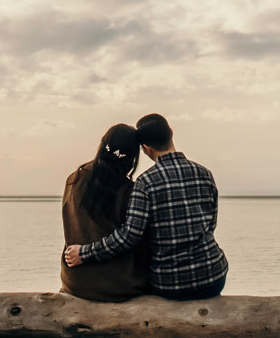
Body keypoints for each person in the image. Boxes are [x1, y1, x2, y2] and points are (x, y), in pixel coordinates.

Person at [64, 113, 227, 300]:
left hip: (171, 285)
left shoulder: (146, 182)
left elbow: (129, 236)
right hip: (215, 276)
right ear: (171, 133)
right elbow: (211, 224)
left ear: (145, 148)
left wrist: (84, 253)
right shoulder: (205, 174)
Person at [58, 123, 153, 302]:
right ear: (132, 158)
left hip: (76, 281)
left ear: (102, 145)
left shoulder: (74, 180)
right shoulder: (130, 190)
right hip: (118, 285)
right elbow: (131, 238)